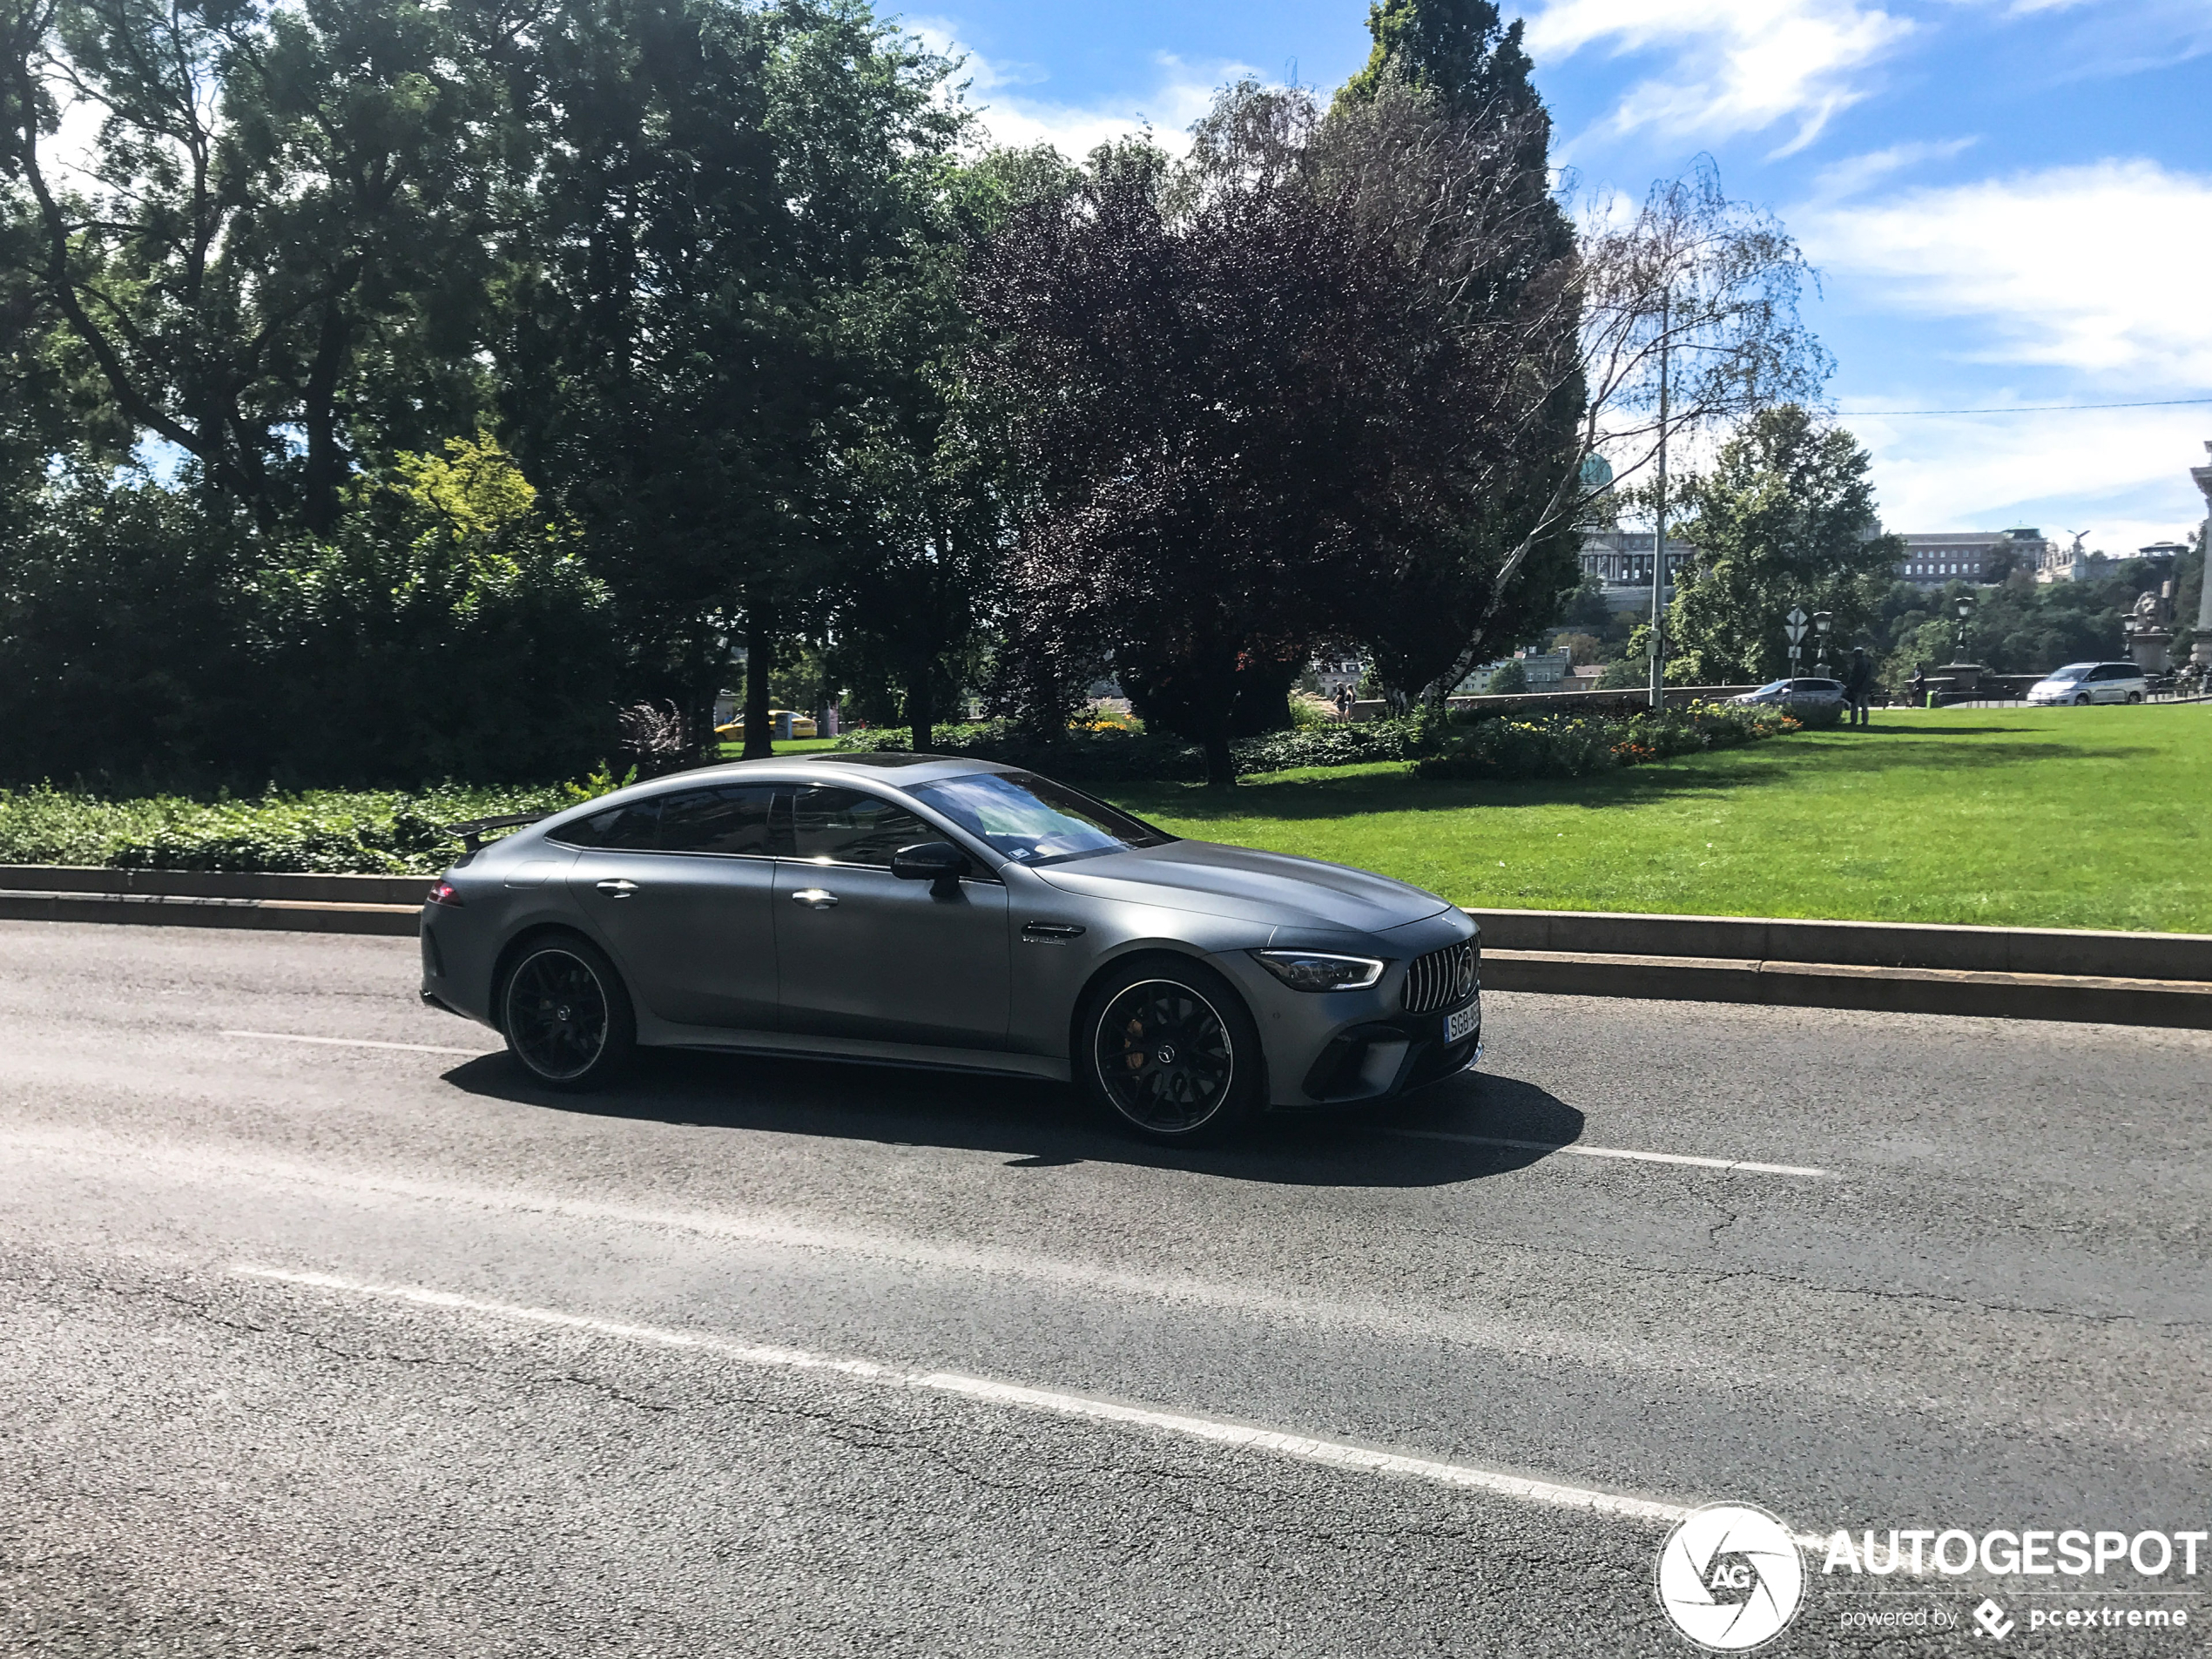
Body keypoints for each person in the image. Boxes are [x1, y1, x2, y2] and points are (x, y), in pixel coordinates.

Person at [1844, 645, 1874, 727]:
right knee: (1864, 706)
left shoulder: (1859, 662)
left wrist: (1852, 685)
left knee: (1855, 705)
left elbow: (1857, 676)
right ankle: (1865, 721)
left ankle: (1853, 721)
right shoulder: (1867, 662)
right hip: (1866, 687)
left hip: (1858, 687)